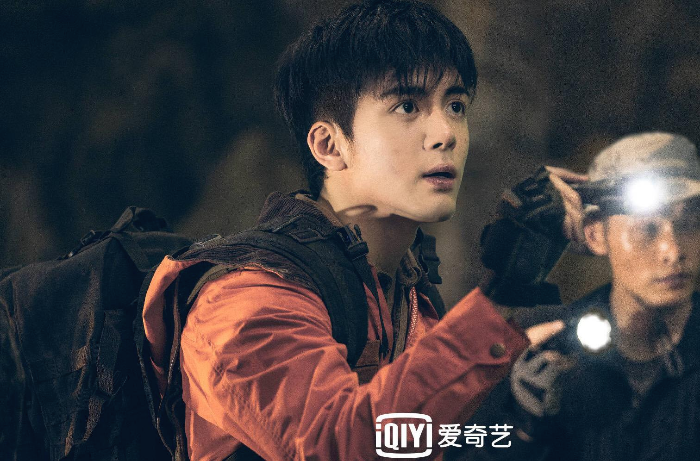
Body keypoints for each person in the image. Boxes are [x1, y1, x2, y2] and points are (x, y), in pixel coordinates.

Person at [141, 1, 582, 459]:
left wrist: (522, 424)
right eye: (407, 106)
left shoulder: (409, 299)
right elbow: (338, 444)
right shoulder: (247, 297)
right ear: (330, 146)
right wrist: (499, 296)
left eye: (455, 105)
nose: (446, 133)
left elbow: (413, 445)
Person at [449, 131, 700, 461]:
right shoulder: (544, 346)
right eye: (646, 229)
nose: (673, 250)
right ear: (596, 235)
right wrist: (523, 427)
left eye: (689, 223)